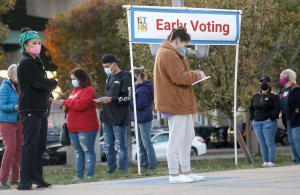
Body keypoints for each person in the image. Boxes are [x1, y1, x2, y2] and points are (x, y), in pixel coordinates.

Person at [153, 27, 206, 184]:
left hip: (180, 102)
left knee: (187, 136)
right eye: (185, 44)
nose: (185, 47)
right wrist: (197, 75)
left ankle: (186, 171)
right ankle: (174, 174)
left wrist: (193, 75)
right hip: (175, 102)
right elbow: (179, 77)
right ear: (177, 40)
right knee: (176, 138)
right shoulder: (168, 54)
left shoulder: (168, 52)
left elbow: (178, 77)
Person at [17, 27, 57, 190]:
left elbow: (41, 84)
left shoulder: (36, 62)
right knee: (30, 146)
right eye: (34, 43)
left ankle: (37, 177)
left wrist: (49, 94)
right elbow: (40, 82)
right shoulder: (26, 62)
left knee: (40, 146)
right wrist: (53, 83)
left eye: (39, 43)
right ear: (26, 46)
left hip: (39, 109)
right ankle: (25, 181)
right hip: (30, 110)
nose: (37, 46)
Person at [59, 68, 99, 181]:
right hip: (73, 127)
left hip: (86, 127)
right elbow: (70, 106)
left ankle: (90, 175)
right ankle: (79, 175)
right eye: (71, 79)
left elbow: (81, 105)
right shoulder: (74, 91)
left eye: (74, 79)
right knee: (78, 152)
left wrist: (66, 102)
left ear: (81, 78)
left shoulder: (89, 90)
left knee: (88, 150)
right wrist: (64, 105)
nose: (73, 82)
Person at [94, 54, 131, 173]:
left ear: (114, 64)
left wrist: (112, 99)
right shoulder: (109, 77)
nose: (106, 68)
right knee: (108, 146)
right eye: (104, 66)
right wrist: (103, 99)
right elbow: (109, 95)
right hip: (107, 117)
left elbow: (128, 97)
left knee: (120, 145)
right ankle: (111, 169)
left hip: (119, 117)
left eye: (107, 66)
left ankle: (123, 169)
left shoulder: (125, 77)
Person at [249, 76, 280, 167]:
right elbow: (251, 108)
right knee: (262, 144)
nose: (262, 84)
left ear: (269, 84)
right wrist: (252, 119)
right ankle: (265, 161)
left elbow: (277, 108)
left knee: (269, 143)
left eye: (265, 82)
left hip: (268, 123)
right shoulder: (256, 96)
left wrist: (271, 118)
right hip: (257, 123)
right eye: (261, 82)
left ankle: (271, 161)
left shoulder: (273, 96)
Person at [130, 66, 157, 170]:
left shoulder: (144, 88)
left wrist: (130, 101)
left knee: (147, 144)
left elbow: (140, 104)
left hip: (144, 119)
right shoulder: (138, 87)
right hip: (139, 118)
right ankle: (143, 165)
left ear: (137, 76)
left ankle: (152, 166)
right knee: (141, 144)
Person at [0, 64, 22, 187]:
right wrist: (14, 107)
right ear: (11, 75)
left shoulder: (21, 86)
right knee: (10, 149)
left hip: (19, 121)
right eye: (17, 75)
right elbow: (1, 106)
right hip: (6, 122)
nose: (19, 77)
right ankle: (2, 179)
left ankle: (14, 178)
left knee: (18, 150)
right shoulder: (5, 87)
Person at [279, 69, 300, 165]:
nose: (280, 79)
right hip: (288, 120)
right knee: (291, 141)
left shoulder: (295, 89)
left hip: (296, 120)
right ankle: (296, 161)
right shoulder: (283, 91)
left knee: (297, 140)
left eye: (282, 77)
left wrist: (296, 113)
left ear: (288, 78)